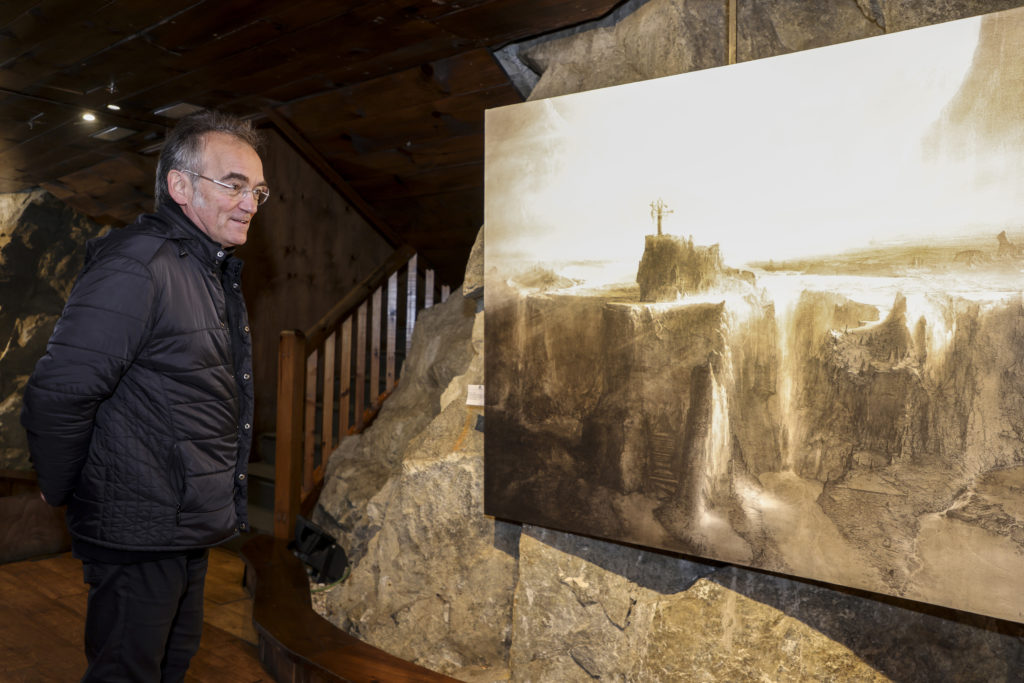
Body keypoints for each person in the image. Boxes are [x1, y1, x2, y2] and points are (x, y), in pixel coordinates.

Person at [20, 109, 267, 682]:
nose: (250, 203)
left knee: (170, 666)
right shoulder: (140, 264)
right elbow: (60, 391)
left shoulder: (205, 267)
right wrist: (65, 489)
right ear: (180, 186)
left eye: (257, 190)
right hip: (138, 527)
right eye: (233, 185)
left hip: (181, 525)